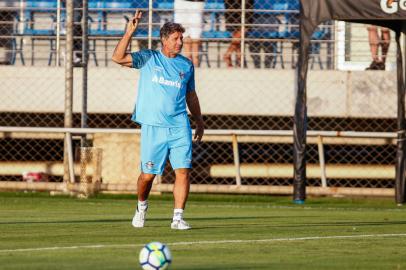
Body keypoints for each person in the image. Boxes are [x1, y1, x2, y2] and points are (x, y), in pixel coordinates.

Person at [112, 11, 204, 230]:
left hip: (180, 125)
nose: (180, 42)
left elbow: (191, 95)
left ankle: (177, 218)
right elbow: (117, 57)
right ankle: (141, 207)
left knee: (183, 170)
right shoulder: (149, 58)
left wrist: (199, 120)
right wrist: (129, 33)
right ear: (164, 40)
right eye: (176, 38)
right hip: (154, 127)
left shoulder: (186, 65)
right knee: (148, 175)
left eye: (181, 38)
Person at [174, 0, 205, 66]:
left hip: (196, 2)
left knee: (196, 33)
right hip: (181, 2)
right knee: (184, 32)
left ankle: (195, 63)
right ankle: (189, 61)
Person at [223, 0, 253, 68]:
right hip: (232, 4)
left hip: (246, 4)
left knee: (243, 29)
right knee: (237, 31)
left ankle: (229, 54)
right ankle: (240, 61)